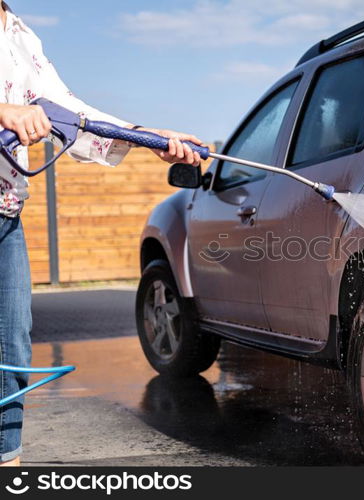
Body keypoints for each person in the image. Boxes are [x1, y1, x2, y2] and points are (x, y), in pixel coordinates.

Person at [0, 2, 202, 466]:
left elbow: (70, 111)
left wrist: (147, 137)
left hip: (5, 213)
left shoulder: (20, 33)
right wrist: (4, 110)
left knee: (11, 349)